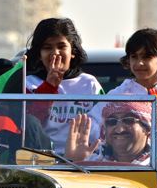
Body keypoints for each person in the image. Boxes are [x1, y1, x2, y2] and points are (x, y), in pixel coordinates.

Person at [24, 18, 104, 153]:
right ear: (39, 54)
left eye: (61, 47)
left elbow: (104, 124)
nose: (55, 53)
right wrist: (49, 87)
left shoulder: (89, 84)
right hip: (42, 159)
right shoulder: (28, 83)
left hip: (82, 161)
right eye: (47, 48)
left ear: (72, 51)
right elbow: (28, 126)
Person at [66, 101, 152, 165]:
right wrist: (76, 163)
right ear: (104, 130)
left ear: (147, 128)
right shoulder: (91, 164)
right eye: (112, 121)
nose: (119, 129)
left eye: (129, 120)